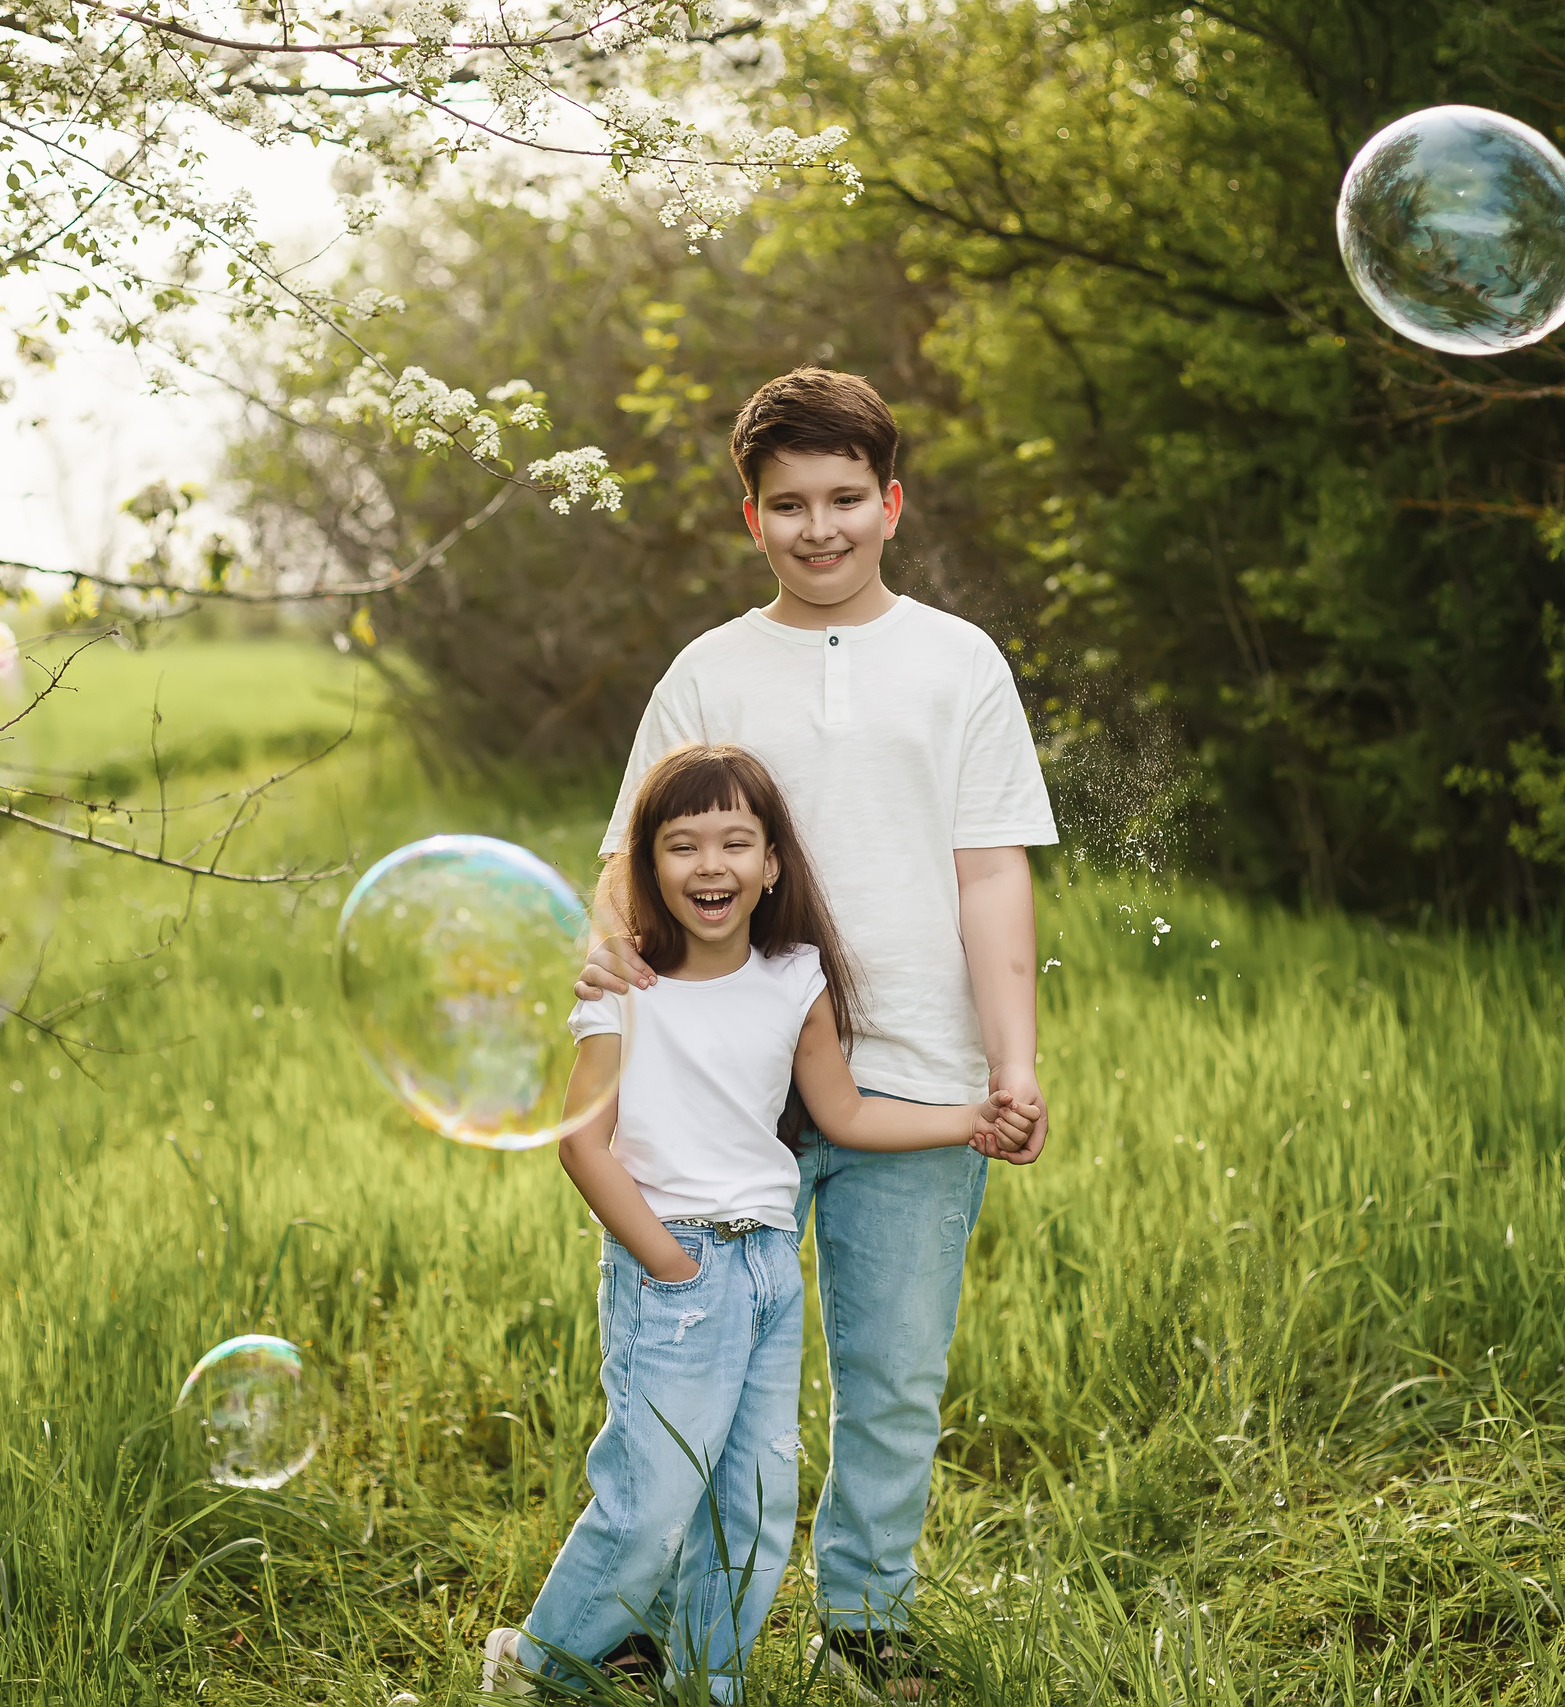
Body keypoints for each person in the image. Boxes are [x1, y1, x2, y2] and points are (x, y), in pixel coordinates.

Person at [576, 367, 1057, 1701]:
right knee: (692, 1374)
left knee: (894, 1375)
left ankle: (864, 1617)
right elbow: (628, 855)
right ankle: (640, 1619)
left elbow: (990, 871)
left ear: (891, 503)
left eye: (846, 498)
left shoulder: (958, 661)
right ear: (752, 518)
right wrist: (604, 949)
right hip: (719, 1096)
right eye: (788, 504)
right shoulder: (709, 670)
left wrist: (1011, 1062)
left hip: (918, 1077)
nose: (820, 526)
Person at [482, 743, 1036, 1701]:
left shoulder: (794, 978)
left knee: (753, 1501)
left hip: (770, 1266)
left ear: (772, 862)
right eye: (682, 844)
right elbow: (581, 1144)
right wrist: (669, 1262)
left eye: (736, 842)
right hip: (676, 1268)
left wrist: (971, 1119)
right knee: (652, 1496)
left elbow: (844, 1113)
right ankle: (536, 1667)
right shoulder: (625, 993)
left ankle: (710, 1682)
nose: (712, 865)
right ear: (647, 864)